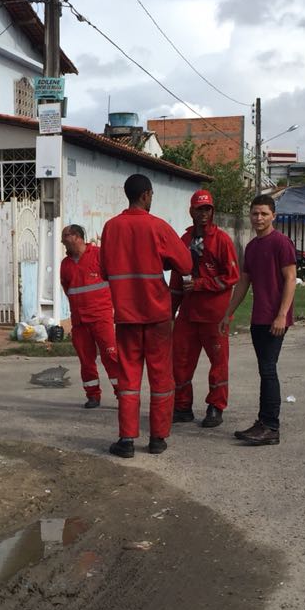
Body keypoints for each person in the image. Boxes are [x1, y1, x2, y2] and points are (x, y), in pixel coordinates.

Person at [98, 174, 192, 458]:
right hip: (157, 315)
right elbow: (185, 263)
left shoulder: (111, 227)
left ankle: (126, 440)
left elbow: (105, 271)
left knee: (128, 378)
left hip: (126, 316)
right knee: (161, 377)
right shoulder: (158, 227)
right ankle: (158, 438)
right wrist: (161, 261)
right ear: (147, 195)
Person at [221, 195, 297, 446]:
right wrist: (228, 312)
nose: (259, 218)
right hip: (259, 317)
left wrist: (281, 315)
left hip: (275, 319)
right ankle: (263, 422)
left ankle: (271, 427)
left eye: (264, 213)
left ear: (273, 215)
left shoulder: (281, 243)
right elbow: (243, 282)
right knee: (265, 371)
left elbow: (290, 279)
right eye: (255, 213)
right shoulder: (252, 247)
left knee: (268, 369)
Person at [171, 189, 239, 428]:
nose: (204, 213)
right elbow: (177, 279)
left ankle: (215, 407)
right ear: (191, 211)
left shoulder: (221, 240)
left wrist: (201, 284)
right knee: (179, 360)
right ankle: (182, 406)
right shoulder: (185, 240)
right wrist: (170, 310)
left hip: (214, 314)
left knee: (218, 361)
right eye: (199, 209)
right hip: (188, 315)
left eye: (207, 209)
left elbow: (231, 276)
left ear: (213, 211)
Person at [59, 223, 119, 409]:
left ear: (77, 236)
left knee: (111, 356)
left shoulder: (99, 255)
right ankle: (93, 395)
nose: (62, 241)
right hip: (79, 321)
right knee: (86, 361)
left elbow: (114, 281)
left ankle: (123, 393)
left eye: (65, 236)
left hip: (101, 318)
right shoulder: (66, 264)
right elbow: (67, 288)